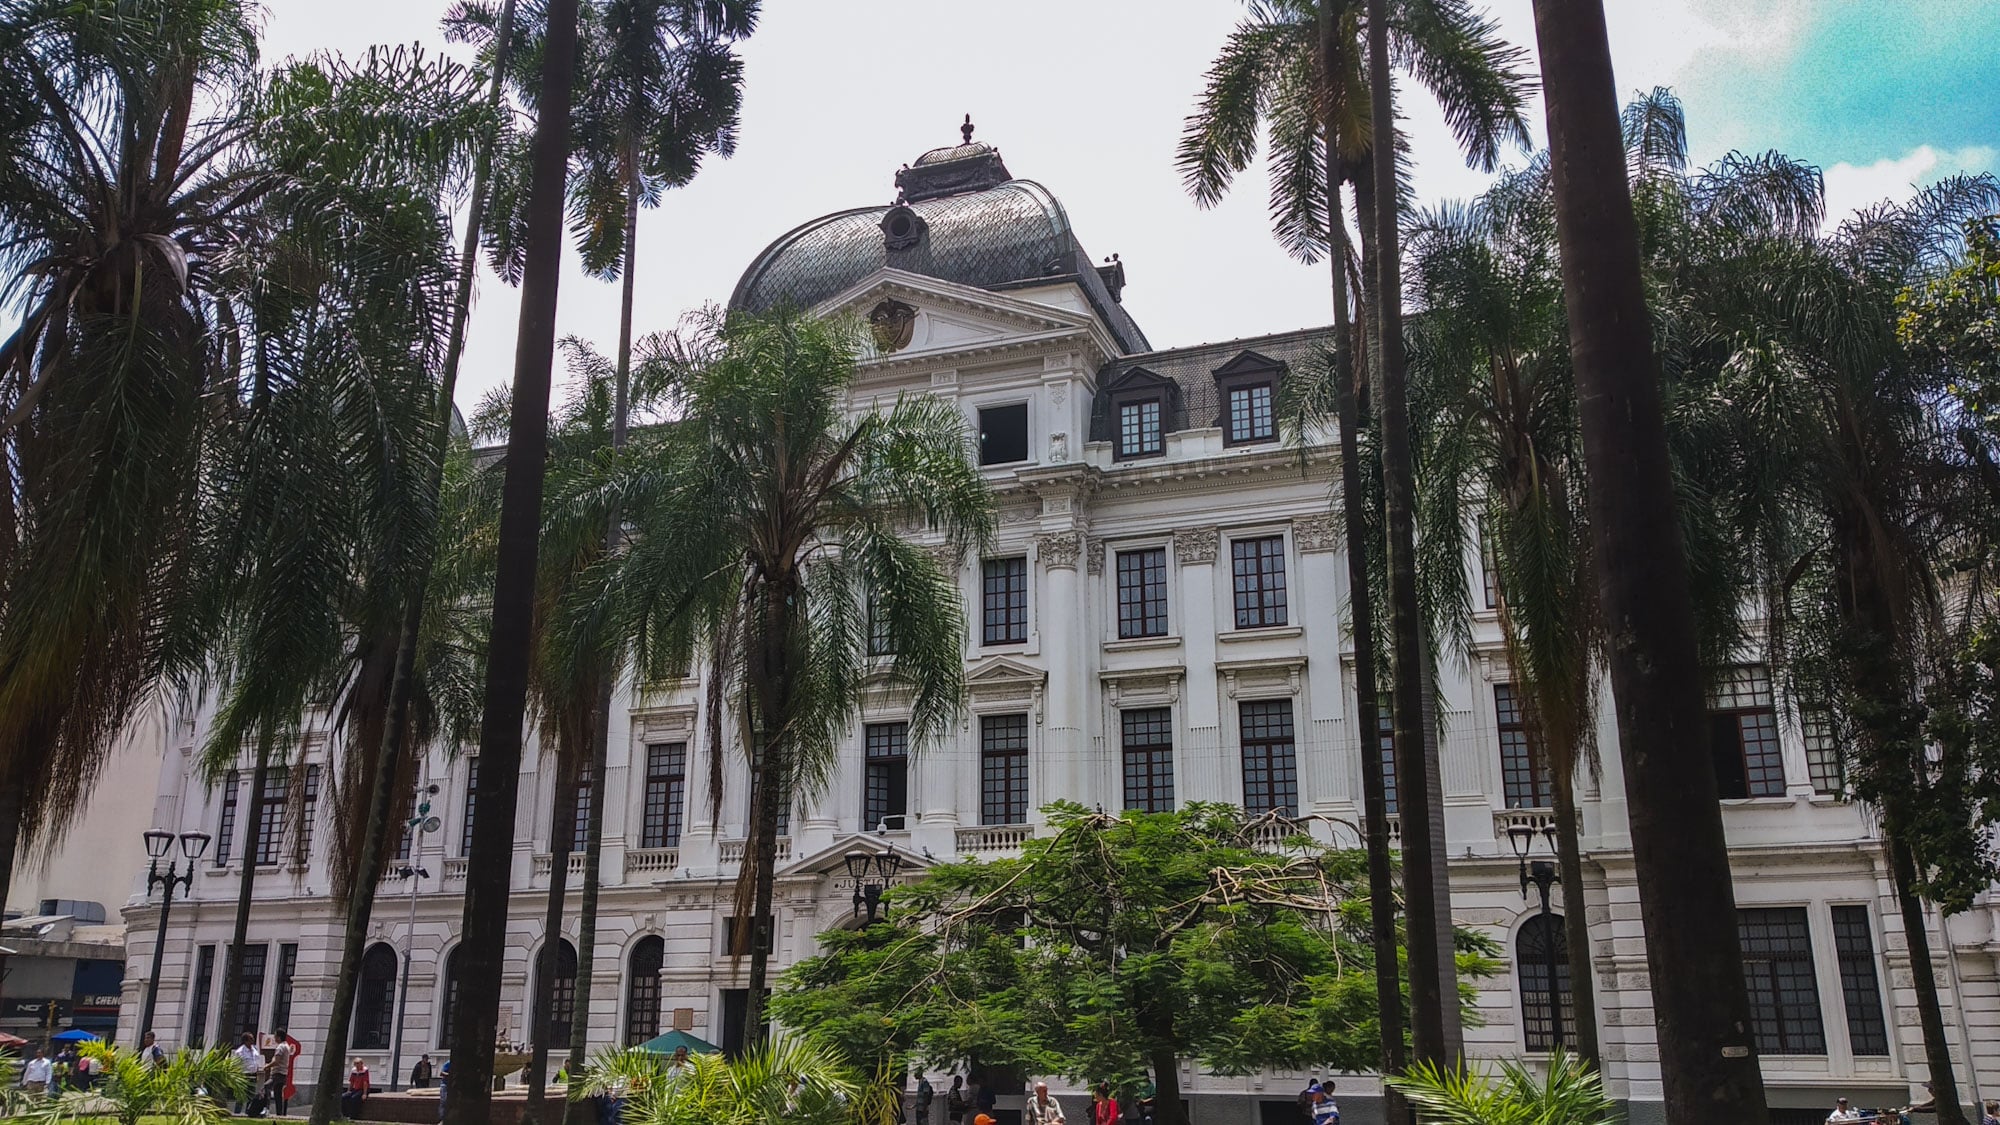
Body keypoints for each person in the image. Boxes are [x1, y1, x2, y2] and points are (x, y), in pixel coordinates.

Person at [231, 1033, 268, 1116]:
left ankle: (249, 1112)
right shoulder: (240, 1052)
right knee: (241, 1096)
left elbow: (256, 1061)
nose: (253, 1040)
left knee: (251, 1095)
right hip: (244, 1075)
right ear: (245, 1041)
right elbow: (235, 1064)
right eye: (251, 1039)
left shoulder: (254, 1049)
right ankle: (237, 1113)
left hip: (253, 1075)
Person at [266, 1035, 294, 1117]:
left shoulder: (280, 1047)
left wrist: (267, 1066)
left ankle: (266, 1108)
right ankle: (279, 1113)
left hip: (277, 1073)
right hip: (283, 1073)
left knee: (266, 1087)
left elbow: (277, 1061)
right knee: (278, 1093)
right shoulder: (287, 1046)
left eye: (275, 1037)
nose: (274, 1039)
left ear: (279, 1037)